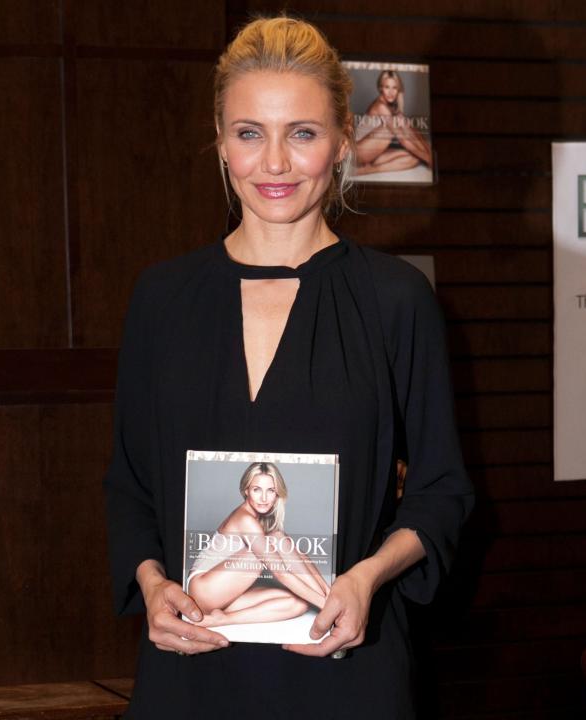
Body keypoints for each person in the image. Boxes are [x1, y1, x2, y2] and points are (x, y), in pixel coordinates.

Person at [103, 15, 473, 719]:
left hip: (344, 669)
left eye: (301, 133)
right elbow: (129, 484)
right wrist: (152, 585)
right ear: (220, 141)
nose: (274, 164)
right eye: (250, 133)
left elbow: (442, 492)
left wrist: (367, 578)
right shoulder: (161, 298)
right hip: (192, 673)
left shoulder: (398, 300)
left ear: (339, 143)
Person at [187, 461, 331, 628]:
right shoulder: (245, 519)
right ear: (246, 490)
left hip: (220, 593)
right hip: (205, 589)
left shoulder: (257, 520)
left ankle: (222, 619)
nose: (264, 498)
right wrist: (325, 605)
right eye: (257, 490)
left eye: (270, 490)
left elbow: (299, 557)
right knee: (275, 540)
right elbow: (281, 573)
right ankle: (327, 605)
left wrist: (327, 592)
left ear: (277, 493)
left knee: (299, 603)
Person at [354, 70, 434, 176]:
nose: (391, 92)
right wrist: (428, 158)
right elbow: (403, 139)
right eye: (387, 87)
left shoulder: (390, 106)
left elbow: (411, 131)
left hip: (372, 152)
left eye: (394, 88)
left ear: (398, 89)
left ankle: (370, 168)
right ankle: (369, 170)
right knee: (393, 127)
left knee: (415, 158)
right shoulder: (380, 107)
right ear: (380, 88)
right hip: (358, 153)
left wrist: (428, 153)